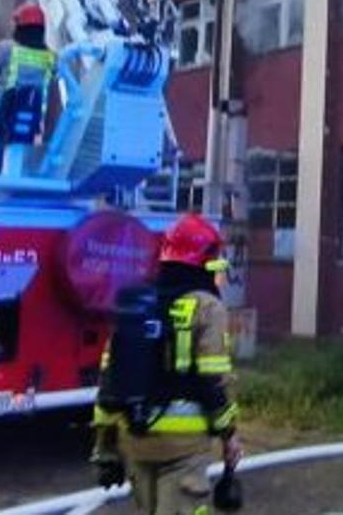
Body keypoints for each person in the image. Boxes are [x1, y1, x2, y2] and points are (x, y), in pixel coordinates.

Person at [91, 214, 242, 515]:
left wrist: (105, 447)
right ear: (204, 259)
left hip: (133, 437)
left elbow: (110, 377)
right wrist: (229, 434)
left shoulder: (137, 303)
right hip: (183, 445)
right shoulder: (207, 306)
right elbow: (214, 378)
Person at [0, 2, 56, 176]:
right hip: (33, 118)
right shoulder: (51, 57)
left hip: (3, 113)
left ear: (19, 26)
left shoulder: (3, 48)